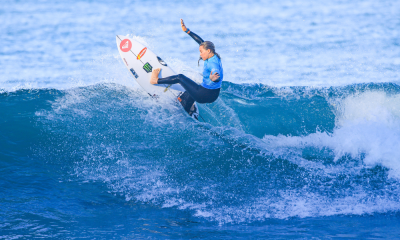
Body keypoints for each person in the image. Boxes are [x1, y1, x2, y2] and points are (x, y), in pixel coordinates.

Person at [150, 19, 223, 106]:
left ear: (208, 51)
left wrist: (214, 78)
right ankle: (188, 105)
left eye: (201, 52)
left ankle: (155, 80)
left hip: (203, 95)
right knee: (192, 87)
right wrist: (187, 31)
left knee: (180, 77)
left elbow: (216, 73)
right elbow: (201, 42)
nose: (200, 54)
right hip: (213, 96)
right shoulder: (214, 56)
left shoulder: (212, 64)